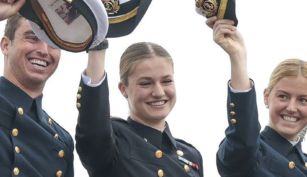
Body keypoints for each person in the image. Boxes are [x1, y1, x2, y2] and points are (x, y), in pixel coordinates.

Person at [75, 41, 204, 177]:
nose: (159, 92)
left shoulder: (191, 155)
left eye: (167, 81)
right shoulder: (114, 141)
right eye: (145, 83)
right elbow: (93, 118)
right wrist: (97, 48)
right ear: (123, 89)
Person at [206, 16, 307, 176]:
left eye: (303, 100)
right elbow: (243, 138)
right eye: (283, 97)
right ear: (267, 97)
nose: (292, 108)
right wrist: (237, 57)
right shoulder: (251, 153)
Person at [0, 1, 74, 176]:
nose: (44, 50)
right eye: (33, 38)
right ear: (5, 45)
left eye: (53, 42)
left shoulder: (62, 140)